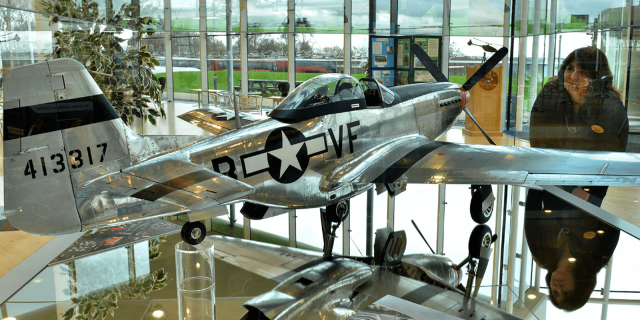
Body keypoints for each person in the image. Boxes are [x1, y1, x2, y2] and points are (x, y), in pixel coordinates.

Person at [525, 46, 627, 311]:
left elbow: (607, 157)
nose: (573, 76)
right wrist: (573, 188)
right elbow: (539, 141)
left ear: (598, 77)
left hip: (560, 186)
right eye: (570, 69)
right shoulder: (598, 255)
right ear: (579, 284)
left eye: (554, 291)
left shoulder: (610, 104)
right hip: (568, 187)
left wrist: (556, 183)